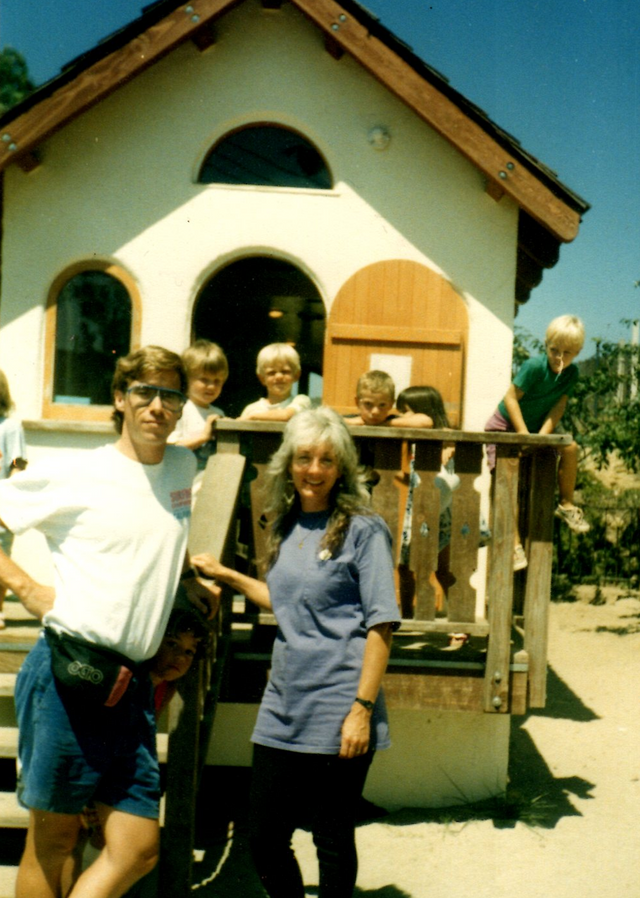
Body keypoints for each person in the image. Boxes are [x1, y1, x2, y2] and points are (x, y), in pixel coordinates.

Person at [0, 345, 219, 898]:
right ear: (121, 399)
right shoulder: (81, 471)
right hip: (68, 679)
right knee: (54, 846)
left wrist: (185, 574)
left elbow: (160, 528)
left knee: (137, 849)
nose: (157, 406)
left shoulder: (181, 466)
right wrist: (25, 585)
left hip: (132, 687)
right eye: (144, 392)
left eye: (171, 395)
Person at [192, 407, 400, 898]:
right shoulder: (285, 525)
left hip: (340, 702)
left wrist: (361, 710)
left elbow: (381, 623)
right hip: (285, 701)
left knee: (330, 835)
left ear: (341, 469)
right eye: (305, 457)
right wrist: (229, 577)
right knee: (264, 837)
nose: (314, 470)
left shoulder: (363, 529)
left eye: (327, 460)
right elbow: (286, 599)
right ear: (289, 463)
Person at [485, 314, 589, 571]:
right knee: (507, 480)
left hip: (533, 429)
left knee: (571, 448)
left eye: (567, 353)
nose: (559, 358)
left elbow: (559, 406)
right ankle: (513, 545)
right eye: (554, 350)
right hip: (506, 425)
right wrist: (524, 435)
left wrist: (542, 436)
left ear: (577, 353)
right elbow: (510, 399)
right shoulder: (533, 366)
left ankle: (566, 504)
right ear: (546, 345)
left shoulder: (571, 374)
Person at [395, 386, 459, 617]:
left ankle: (460, 617)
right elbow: (411, 478)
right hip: (420, 512)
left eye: (407, 411)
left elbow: (449, 467)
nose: (403, 417)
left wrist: (449, 448)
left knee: (441, 569)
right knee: (406, 567)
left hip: (438, 513)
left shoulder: (444, 436)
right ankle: (406, 617)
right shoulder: (413, 441)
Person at [168, 339, 228, 472]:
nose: (211, 386)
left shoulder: (218, 413)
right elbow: (171, 449)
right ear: (186, 378)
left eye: (217, 381)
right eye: (204, 380)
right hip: (183, 479)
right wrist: (204, 437)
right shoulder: (180, 410)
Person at [0, 369, 27, 630]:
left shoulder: (10, 426)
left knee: (1, 560)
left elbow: (19, 462)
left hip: (1, 504)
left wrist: (11, 494)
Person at [239, 343, 311, 421]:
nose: (279, 377)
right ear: (262, 379)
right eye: (271, 373)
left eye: (285, 371)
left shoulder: (302, 401)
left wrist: (252, 417)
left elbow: (286, 415)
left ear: (296, 376)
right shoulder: (251, 409)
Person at [346, 370, 433, 428]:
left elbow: (427, 421)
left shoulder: (393, 420)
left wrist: (386, 424)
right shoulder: (352, 419)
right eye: (368, 404)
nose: (375, 412)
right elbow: (332, 421)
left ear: (391, 404)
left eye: (382, 405)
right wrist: (350, 422)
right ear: (357, 402)